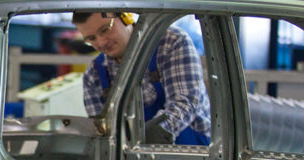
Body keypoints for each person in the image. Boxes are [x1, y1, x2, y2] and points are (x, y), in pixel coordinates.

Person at [73, 10, 211, 145]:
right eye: (91, 39)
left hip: (191, 155)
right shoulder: (94, 74)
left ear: (126, 17)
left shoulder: (171, 43)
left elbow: (185, 103)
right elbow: (100, 131)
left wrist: (146, 139)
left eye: (105, 30)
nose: (101, 42)